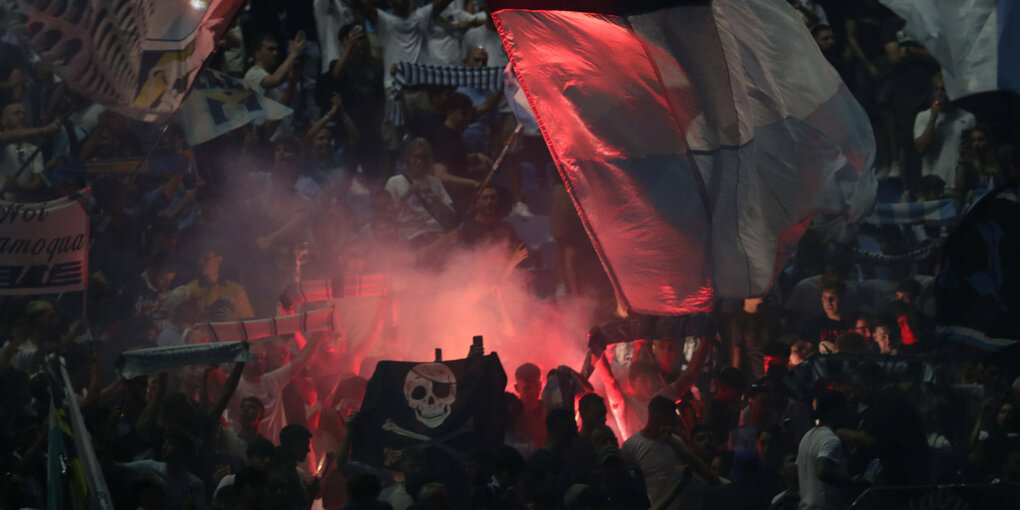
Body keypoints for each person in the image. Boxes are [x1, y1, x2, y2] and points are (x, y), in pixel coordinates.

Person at [620, 396, 717, 510]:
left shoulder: (676, 441)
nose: (673, 422)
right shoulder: (631, 446)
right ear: (656, 417)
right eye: (670, 418)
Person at [385, 138, 456, 246]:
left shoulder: (434, 182)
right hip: (410, 236)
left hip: (435, 234)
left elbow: (452, 214)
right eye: (416, 156)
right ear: (408, 157)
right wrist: (406, 196)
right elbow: (386, 215)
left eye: (423, 157)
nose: (420, 161)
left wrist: (436, 199)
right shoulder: (394, 182)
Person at [914, 73, 976, 189]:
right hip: (932, 186)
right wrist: (933, 119)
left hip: (958, 182)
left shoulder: (968, 118)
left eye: (944, 89)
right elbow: (921, 148)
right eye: (936, 89)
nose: (939, 93)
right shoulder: (923, 117)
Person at [796, 390, 848, 510]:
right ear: (835, 411)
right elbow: (821, 471)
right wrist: (849, 484)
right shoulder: (831, 439)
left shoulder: (807, 436)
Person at [0, 101, 59, 201]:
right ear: (3, 121)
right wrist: (43, 130)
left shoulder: (33, 149)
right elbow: (6, 137)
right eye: (16, 113)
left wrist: (18, 188)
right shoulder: (2, 139)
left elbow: (37, 182)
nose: (22, 117)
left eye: (24, 114)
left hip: (19, 208)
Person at [184, 246, 256, 321]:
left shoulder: (236, 290)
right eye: (200, 258)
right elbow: (182, 322)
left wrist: (232, 319)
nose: (201, 262)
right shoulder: (190, 290)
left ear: (219, 260)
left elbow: (248, 322)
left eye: (207, 258)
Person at [800, 280, 850, 348]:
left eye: (833, 298)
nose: (828, 302)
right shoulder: (815, 324)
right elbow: (805, 347)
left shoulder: (854, 323)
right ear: (822, 300)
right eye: (825, 298)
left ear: (842, 298)